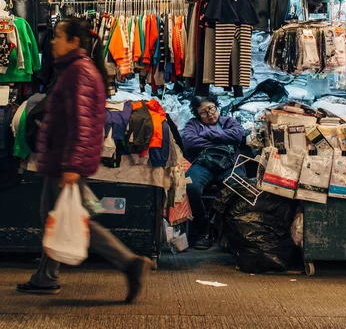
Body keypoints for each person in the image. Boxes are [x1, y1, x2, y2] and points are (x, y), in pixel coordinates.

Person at [17, 18, 151, 302]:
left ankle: (129, 262)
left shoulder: (79, 72)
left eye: (58, 37)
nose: (52, 42)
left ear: (74, 42)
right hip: (61, 160)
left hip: (66, 162)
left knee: (72, 220)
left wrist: (73, 166)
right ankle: (45, 277)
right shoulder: (72, 70)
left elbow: (83, 124)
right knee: (57, 218)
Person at [182, 94, 244, 250]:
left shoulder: (228, 121)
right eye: (204, 112)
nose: (209, 114)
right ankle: (203, 229)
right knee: (190, 186)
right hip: (204, 164)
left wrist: (209, 135)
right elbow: (189, 141)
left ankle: (225, 229)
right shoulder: (193, 124)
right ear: (197, 115)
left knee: (241, 187)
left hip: (229, 164)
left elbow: (238, 135)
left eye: (211, 108)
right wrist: (223, 139)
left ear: (217, 106)